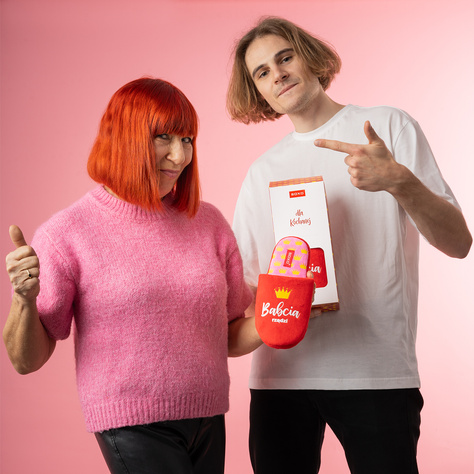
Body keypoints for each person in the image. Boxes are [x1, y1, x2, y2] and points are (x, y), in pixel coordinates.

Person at [226, 16, 472, 474]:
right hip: (281, 378)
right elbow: (240, 293)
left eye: (285, 57)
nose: (277, 74)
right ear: (257, 91)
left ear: (311, 56)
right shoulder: (261, 172)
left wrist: (400, 182)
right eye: (261, 72)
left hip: (376, 374)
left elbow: (459, 243)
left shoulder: (386, 127)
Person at [4, 77, 254, 474]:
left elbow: (229, 333)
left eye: (187, 139)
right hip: (132, 424)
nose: (179, 155)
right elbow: (25, 361)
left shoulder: (208, 222)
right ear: (125, 139)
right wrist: (23, 298)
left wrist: (289, 307)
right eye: (164, 138)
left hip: (208, 416)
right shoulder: (67, 232)